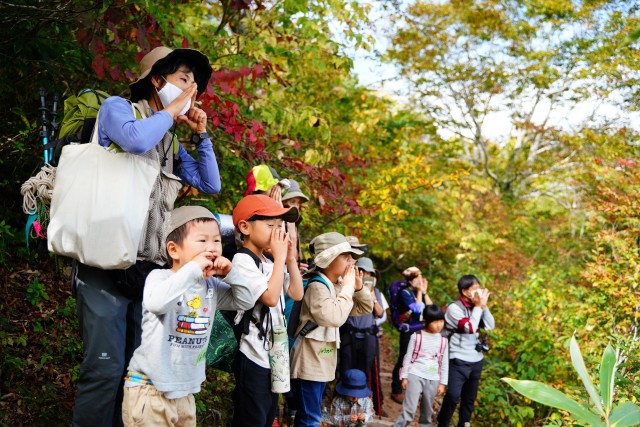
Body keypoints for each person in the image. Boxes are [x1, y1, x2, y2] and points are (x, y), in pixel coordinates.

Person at [72, 46, 220, 427]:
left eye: (196, 84)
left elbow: (209, 183)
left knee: (140, 372)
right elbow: (135, 141)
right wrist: (173, 112)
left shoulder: (169, 139)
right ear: (157, 80)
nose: (193, 90)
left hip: (146, 271)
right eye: (184, 79)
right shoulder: (119, 109)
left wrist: (201, 135)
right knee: (104, 370)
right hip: (100, 263)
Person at [121, 206, 255, 426]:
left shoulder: (210, 286)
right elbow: (156, 302)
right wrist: (193, 269)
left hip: (186, 393)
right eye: (202, 241)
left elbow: (246, 300)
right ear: (174, 250)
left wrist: (232, 273)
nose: (211, 248)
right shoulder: (160, 277)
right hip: (150, 390)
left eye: (217, 241)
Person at [230, 194, 303, 427]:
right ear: (245, 227)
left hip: (272, 356)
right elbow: (271, 298)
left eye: (279, 227)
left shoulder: (271, 262)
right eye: (270, 225)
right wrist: (280, 257)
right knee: (252, 418)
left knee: (268, 417)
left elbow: (296, 293)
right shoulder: (242, 260)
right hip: (252, 355)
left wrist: (289, 259)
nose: (277, 232)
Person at [290, 232, 374, 427]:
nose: (350, 262)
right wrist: (347, 288)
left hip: (321, 363)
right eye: (345, 257)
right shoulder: (317, 287)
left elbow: (364, 308)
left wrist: (358, 289)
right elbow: (333, 317)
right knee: (310, 418)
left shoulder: (334, 286)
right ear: (328, 259)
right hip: (308, 364)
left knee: (310, 414)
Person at [436, 275, 495, 427]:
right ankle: (443, 422)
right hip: (457, 358)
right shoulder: (454, 308)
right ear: (465, 292)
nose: (478, 292)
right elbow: (469, 328)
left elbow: (490, 325)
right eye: (474, 289)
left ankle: (464, 423)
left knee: (469, 398)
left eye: (479, 288)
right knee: (453, 395)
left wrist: (484, 306)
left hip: (476, 359)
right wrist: (478, 307)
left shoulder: (477, 306)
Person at [394, 304, 449, 427]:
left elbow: (444, 363)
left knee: (427, 412)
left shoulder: (443, 341)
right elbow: (408, 357)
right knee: (409, 410)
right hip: (415, 374)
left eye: (441, 321)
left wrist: (443, 383)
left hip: (433, 378)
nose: (439, 325)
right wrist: (404, 376)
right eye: (435, 322)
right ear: (425, 322)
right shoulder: (416, 336)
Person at [338, 257, 384, 404]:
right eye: (362, 271)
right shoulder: (347, 288)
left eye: (369, 273)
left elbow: (380, 313)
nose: (366, 276)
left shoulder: (375, 291)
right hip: (349, 334)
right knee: (345, 367)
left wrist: (372, 297)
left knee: (366, 369)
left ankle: (364, 404)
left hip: (368, 335)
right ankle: (341, 403)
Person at [391, 267, 432, 404]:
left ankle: (412, 389)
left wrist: (424, 293)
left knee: (417, 360)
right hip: (408, 330)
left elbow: (431, 309)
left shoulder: (416, 292)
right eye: (417, 278)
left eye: (421, 277)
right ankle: (396, 390)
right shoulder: (405, 293)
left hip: (420, 330)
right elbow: (416, 310)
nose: (420, 280)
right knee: (404, 359)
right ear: (410, 280)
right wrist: (420, 292)